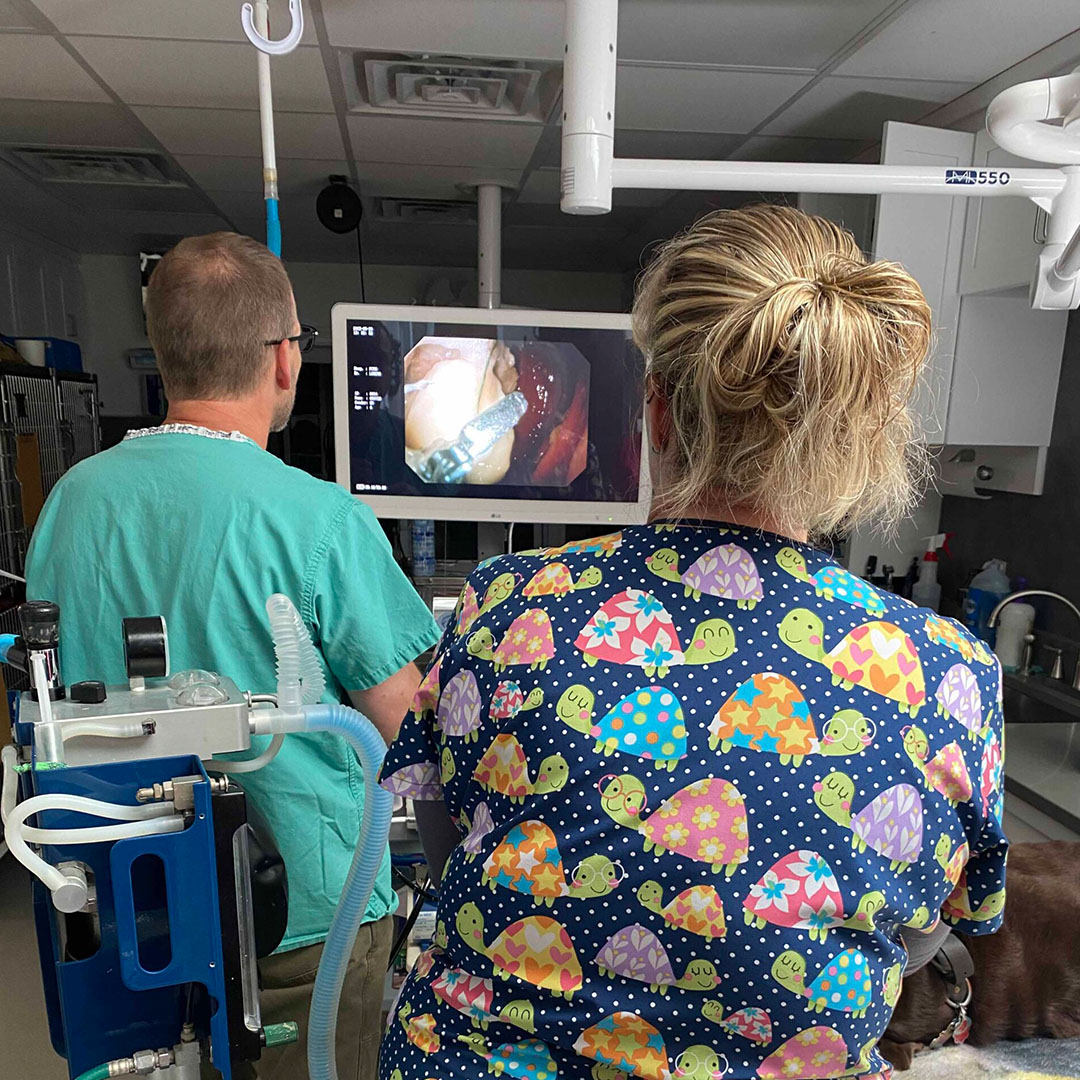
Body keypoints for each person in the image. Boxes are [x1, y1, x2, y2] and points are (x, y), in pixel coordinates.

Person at [377, 205, 1007, 1080]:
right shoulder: (949, 673)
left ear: (659, 411)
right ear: (856, 433)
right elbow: (925, 924)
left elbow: (454, 853)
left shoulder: (502, 607)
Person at [26, 232, 441, 1080]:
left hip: (129, 910)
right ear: (284, 359)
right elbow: (408, 722)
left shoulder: (71, 503)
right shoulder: (320, 520)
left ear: (166, 352)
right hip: (300, 928)